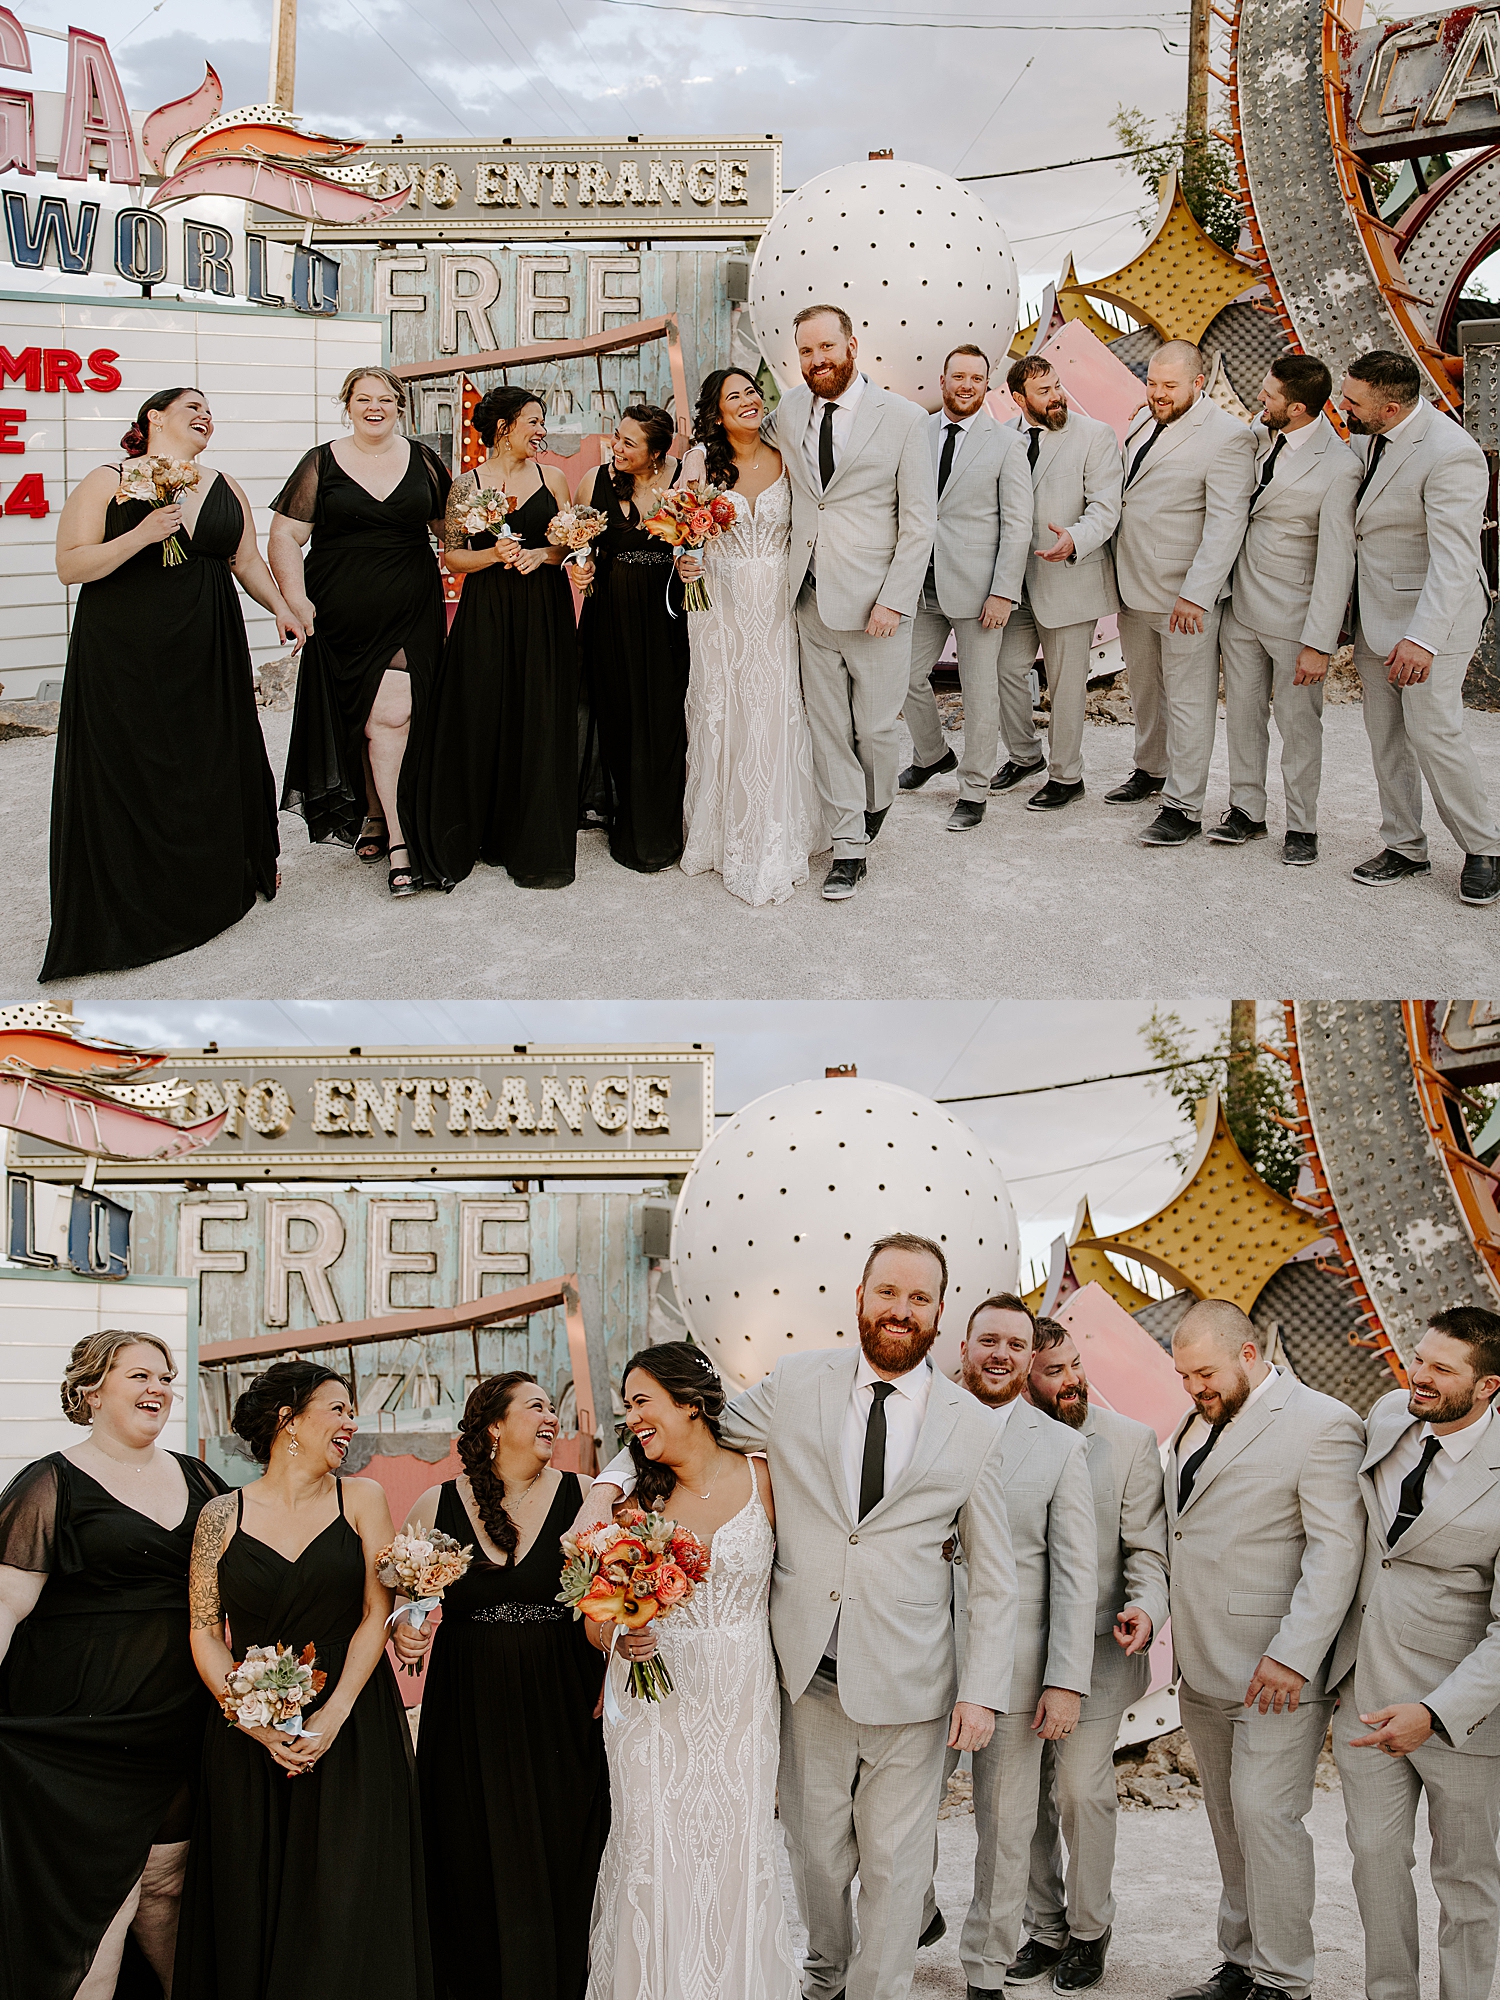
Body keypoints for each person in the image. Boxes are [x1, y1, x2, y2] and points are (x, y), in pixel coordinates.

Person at [721, 1234, 1019, 2000]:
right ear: (859, 1298)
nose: (901, 1310)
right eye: (888, 1292)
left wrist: (981, 1691)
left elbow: (994, 1575)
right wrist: (614, 1482)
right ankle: (826, 1976)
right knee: (818, 1858)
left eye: (919, 1298)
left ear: (940, 1314)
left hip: (914, 1685)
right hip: (807, 1674)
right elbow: (704, 1438)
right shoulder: (794, 1383)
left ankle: (879, 1990)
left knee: (896, 1865)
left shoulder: (973, 1425)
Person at [174, 1362, 432, 1999]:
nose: (352, 1422)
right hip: (248, 1733)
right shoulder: (218, 1516)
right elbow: (205, 1631)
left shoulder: (363, 1499)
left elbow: (379, 1612)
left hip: (352, 1725)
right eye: (338, 1408)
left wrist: (336, 1711)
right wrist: (253, 1720)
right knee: (248, 1894)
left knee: (348, 1894)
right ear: (288, 1420)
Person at [41, 387, 299, 982]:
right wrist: (141, 533)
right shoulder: (107, 480)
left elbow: (245, 561)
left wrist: (280, 607)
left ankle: (218, 880)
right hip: (126, 651)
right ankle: (138, 902)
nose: (206, 416)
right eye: (192, 407)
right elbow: (69, 565)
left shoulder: (224, 484)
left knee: (209, 758)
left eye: (211, 410)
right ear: (153, 418)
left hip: (208, 647)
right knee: (135, 764)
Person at [0, 1330, 227, 2000]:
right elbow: (7, 1603)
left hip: (175, 1726)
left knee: (166, 1891)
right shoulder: (51, 1482)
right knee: (100, 1909)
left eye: (165, 1376)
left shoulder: (200, 1480)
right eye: (139, 1376)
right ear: (92, 1390)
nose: (158, 1387)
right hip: (74, 1737)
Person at [583, 1343, 799, 2000]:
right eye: (627, 1407)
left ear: (688, 1402)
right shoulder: (632, 1504)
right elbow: (595, 1614)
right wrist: (621, 1637)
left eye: (642, 1401)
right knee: (652, 1854)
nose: (632, 1419)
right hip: (651, 1705)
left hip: (741, 1697)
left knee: (737, 1854)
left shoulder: (766, 1477)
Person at [1165, 1299, 1364, 2000]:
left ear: (1249, 1354)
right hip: (1203, 1667)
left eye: (1204, 1373)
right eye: (1185, 1377)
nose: (1194, 1389)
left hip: (1276, 1672)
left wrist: (1295, 1654)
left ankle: (1284, 1980)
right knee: (1227, 1824)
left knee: (1266, 1819)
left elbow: (1336, 1552)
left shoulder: (1324, 1425)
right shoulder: (1197, 1423)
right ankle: (1241, 1964)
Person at [391, 1374, 608, 2000]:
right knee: (467, 1852)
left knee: (564, 1850)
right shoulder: (437, 1506)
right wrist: (408, 1629)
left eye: (553, 1408)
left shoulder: (585, 1495)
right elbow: (408, 1594)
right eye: (536, 1407)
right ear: (494, 1426)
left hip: (562, 1701)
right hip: (467, 1705)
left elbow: (610, 1601)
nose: (551, 1418)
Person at [1328, 1306, 1500, 2000]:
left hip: (1463, 1716)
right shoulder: (1389, 1416)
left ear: (1489, 1386)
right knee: (1373, 1862)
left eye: (1441, 1369)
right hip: (1365, 1692)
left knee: (1466, 1879)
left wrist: (1435, 1711)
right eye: (1418, 1357)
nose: (1417, 1377)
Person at [930, 1299, 1096, 2000]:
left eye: (1015, 1344)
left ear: (1032, 1358)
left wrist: (1065, 1680)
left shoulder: (1062, 1447)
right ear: (965, 1346)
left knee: (1007, 1828)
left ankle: (985, 1969)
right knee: (899, 1812)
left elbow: (1075, 1573)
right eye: (988, 1339)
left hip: (1021, 1668)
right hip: (922, 1651)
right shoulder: (922, 1420)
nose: (1000, 1353)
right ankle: (908, 1913)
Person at [1013, 1320, 1170, 1994]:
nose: (1072, 1379)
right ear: (1022, 1378)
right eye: (1054, 1371)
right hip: (1014, 1656)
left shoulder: (1131, 1443)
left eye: (1075, 1364)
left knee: (1080, 1791)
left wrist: (1148, 1607)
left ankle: (1088, 1929)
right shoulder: (998, 1440)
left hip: (1102, 1654)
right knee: (1021, 1803)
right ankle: (1043, 1928)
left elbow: (1148, 1552)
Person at [770, 306, 937, 899]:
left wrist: (894, 601)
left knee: (875, 729)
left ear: (852, 346)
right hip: (808, 601)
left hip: (877, 611)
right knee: (828, 729)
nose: (817, 360)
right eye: (806, 351)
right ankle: (848, 845)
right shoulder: (788, 410)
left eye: (826, 347)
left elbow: (920, 523)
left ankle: (877, 800)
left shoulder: (907, 418)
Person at [269, 367, 451, 898]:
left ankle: (399, 840)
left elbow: (450, 531)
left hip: (410, 606)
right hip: (340, 612)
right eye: (363, 398)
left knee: (393, 713)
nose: (376, 407)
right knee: (362, 717)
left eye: (386, 399)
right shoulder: (322, 461)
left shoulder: (423, 460)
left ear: (400, 406)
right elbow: (285, 534)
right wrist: (296, 599)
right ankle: (372, 810)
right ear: (346, 404)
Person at [1337, 350, 1500, 905]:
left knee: (1434, 733)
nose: (1344, 407)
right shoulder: (1371, 436)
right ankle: (1404, 845)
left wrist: (1424, 638)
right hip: (1376, 613)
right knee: (1385, 737)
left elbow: (1454, 559)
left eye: (1353, 400)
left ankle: (1485, 849)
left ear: (1388, 406)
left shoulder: (1452, 454)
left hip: (1434, 620)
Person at [418, 388, 582, 892]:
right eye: (534, 421)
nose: (541, 431)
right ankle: (483, 831)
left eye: (542, 422)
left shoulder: (551, 478)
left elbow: (570, 545)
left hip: (543, 612)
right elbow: (453, 558)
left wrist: (545, 556)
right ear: (505, 426)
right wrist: (494, 556)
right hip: (487, 611)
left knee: (540, 713)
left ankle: (534, 841)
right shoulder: (466, 485)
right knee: (486, 711)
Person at [676, 366, 825, 904]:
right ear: (716, 413)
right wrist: (685, 560)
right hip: (721, 607)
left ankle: (778, 829)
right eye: (732, 396)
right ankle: (724, 835)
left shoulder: (788, 453)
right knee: (727, 707)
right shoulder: (700, 463)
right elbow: (682, 531)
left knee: (778, 708)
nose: (747, 401)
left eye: (751, 392)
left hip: (778, 608)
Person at [1109, 340, 1257, 846]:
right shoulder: (1143, 419)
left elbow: (1225, 525)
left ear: (1199, 383)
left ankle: (1184, 806)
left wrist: (1197, 594)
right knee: (1146, 691)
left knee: (1189, 701)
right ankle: (1150, 769)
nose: (1157, 394)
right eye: (1151, 383)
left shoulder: (1229, 437)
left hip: (1182, 597)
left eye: (1169, 386)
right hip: (1132, 586)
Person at [1215, 353, 1358, 864]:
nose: (1260, 399)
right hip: (1241, 610)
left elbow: (1337, 563)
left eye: (1269, 395)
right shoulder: (1262, 433)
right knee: (1243, 717)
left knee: (1299, 727)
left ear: (1298, 407)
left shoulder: (1340, 468)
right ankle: (1246, 811)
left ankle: (1302, 826)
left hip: (1297, 622)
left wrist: (1320, 643)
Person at [897, 345, 1030, 832]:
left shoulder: (1007, 444)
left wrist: (1003, 591)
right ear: (943, 380)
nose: (966, 385)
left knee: (979, 692)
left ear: (986, 384)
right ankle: (932, 754)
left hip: (979, 592)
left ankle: (974, 790)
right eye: (958, 376)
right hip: (919, 584)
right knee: (903, 677)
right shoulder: (918, 431)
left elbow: (1018, 525)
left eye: (976, 377)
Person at [994, 358, 1123, 812]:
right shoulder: (1000, 439)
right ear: (1017, 398)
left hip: (1070, 578)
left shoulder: (1095, 436)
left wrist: (1074, 540)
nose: (1056, 396)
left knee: (1067, 683)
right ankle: (1025, 756)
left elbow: (1106, 509)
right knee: (1006, 671)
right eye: (1044, 391)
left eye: (1058, 386)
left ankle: (1067, 776)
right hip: (1014, 585)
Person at [576, 406, 691, 874]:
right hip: (610, 618)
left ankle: (662, 825)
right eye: (616, 438)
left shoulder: (684, 482)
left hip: (667, 617)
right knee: (619, 714)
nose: (616, 449)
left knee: (665, 717)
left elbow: (705, 542)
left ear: (657, 452)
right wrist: (578, 564)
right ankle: (626, 820)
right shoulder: (593, 481)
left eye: (628, 444)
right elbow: (573, 542)